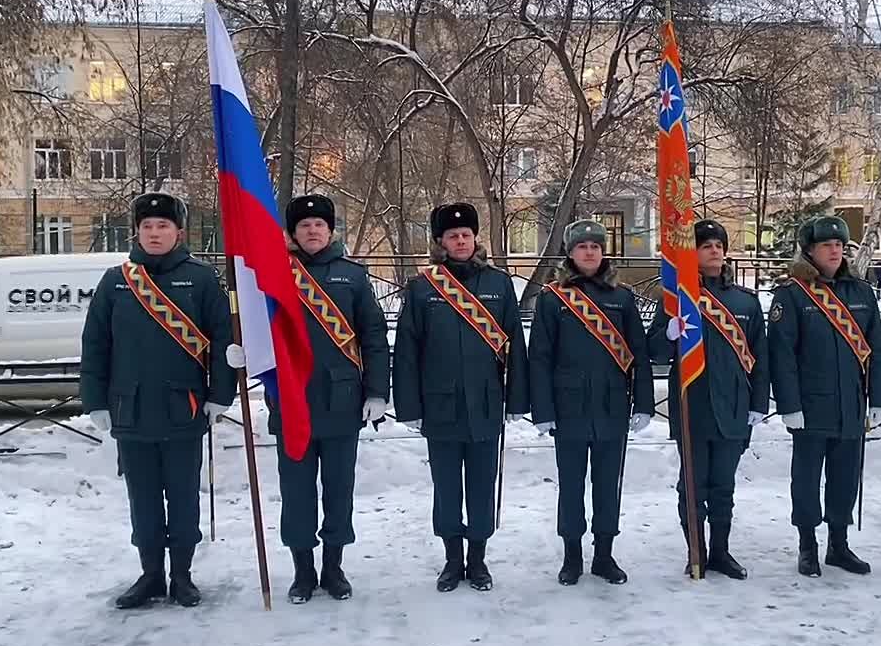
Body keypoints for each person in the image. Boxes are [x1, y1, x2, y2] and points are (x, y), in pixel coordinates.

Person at [226, 194, 390, 602]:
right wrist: (243, 349)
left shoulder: (352, 276)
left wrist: (377, 392)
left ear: (330, 230)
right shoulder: (274, 273)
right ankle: (302, 570)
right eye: (304, 226)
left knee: (339, 489)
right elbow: (255, 324)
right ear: (293, 233)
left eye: (320, 224)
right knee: (297, 491)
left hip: (342, 401)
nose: (313, 231)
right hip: (291, 399)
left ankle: (333, 568)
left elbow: (372, 336)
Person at [80, 192, 235, 608]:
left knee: (183, 496)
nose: (154, 233)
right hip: (129, 410)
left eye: (162, 226)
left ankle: (182, 576)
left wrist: (221, 395)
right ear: (136, 231)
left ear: (178, 232)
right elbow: (96, 344)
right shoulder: (116, 280)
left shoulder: (201, 279)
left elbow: (224, 341)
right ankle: (150, 575)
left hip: (183, 408)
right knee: (143, 499)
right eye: (147, 226)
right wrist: (95, 400)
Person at [392, 202, 530, 591]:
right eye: (453, 236)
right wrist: (409, 407)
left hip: (486, 402)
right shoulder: (422, 288)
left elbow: (514, 344)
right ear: (440, 242)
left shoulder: (498, 283)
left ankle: (478, 559)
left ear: (475, 238)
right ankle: (453, 560)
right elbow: (407, 350)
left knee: (483, 484)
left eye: (466, 234)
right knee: (447, 486)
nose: (461, 241)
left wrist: (517, 400)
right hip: (440, 405)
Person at [528, 219, 654, 586]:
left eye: (596, 247)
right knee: (571, 485)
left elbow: (639, 355)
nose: (590, 252)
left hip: (612, 407)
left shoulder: (622, 297)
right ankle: (571, 556)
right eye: (582, 247)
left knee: (607, 484)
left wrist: (643, 403)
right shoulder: (553, 298)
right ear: (570, 253)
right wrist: (543, 411)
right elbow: (540, 357)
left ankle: (604, 555)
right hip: (568, 409)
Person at [768, 216, 881, 577]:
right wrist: (789, 405)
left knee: (845, 476)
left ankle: (839, 544)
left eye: (840, 245)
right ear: (810, 251)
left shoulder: (861, 292)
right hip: (810, 406)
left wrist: (879, 397)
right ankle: (808, 544)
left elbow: (877, 350)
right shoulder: (792, 295)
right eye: (827, 246)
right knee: (806, 479)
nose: (835, 250)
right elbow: (782, 355)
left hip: (850, 404)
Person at [647, 218, 768, 579]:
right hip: (693, 405)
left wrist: (759, 404)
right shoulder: (677, 299)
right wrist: (669, 333)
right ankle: (695, 551)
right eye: (706, 246)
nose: (714, 251)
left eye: (718, 245)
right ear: (693, 254)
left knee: (723, 487)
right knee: (693, 486)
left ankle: (721, 551)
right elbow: (654, 352)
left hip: (733, 405)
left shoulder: (745, 301)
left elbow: (760, 356)